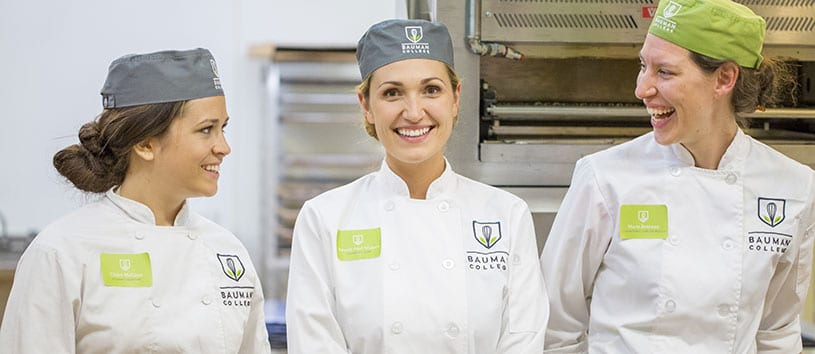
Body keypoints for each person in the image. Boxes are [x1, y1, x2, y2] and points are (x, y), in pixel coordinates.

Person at [540, 0, 815, 352]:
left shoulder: (792, 187)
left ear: (725, 78)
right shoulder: (604, 178)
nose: (642, 89)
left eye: (664, 72)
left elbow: (776, 331)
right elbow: (554, 328)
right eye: (643, 66)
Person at [285, 19, 549, 353]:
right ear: (366, 105)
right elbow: (313, 344)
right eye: (392, 93)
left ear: (455, 98)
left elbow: (523, 339)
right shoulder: (324, 219)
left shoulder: (507, 215)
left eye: (431, 90)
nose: (413, 112)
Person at [0, 48, 271, 353]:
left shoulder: (227, 250)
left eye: (223, 128)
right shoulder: (62, 253)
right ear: (144, 144)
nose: (224, 147)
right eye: (206, 129)